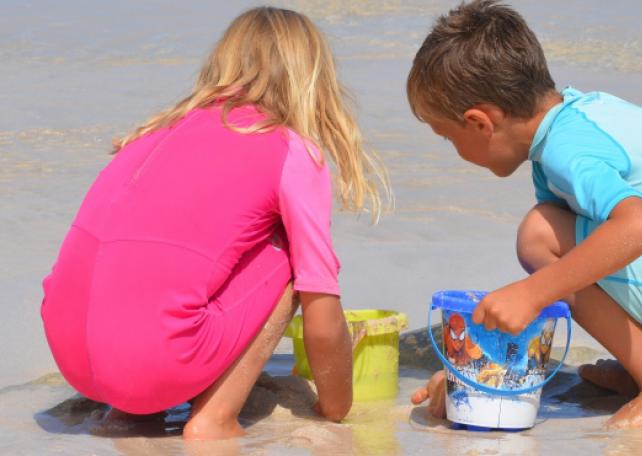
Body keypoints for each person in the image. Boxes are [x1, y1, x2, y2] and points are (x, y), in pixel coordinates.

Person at [408, 0, 642, 428]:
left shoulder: (567, 150)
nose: (453, 150)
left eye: (446, 136)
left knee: (539, 236)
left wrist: (531, 294)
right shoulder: (578, 116)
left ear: (479, 123)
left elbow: (640, 227)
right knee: (565, 235)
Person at [40, 6, 388, 440]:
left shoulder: (153, 131)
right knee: (290, 251)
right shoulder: (288, 148)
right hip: (153, 362)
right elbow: (320, 306)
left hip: (71, 352)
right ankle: (215, 417)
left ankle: (130, 413)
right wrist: (335, 409)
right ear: (313, 80)